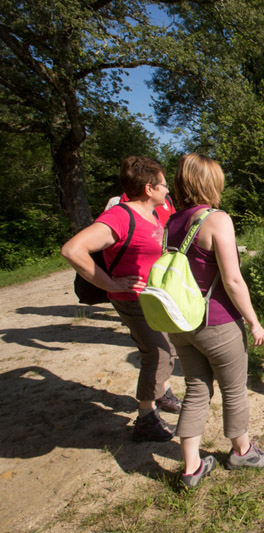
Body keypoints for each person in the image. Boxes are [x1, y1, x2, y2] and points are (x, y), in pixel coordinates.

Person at [167, 153, 264, 489]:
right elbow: (233, 280)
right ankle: (242, 451)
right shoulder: (216, 220)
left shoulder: (172, 221)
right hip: (216, 321)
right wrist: (254, 321)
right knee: (233, 389)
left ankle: (191, 466)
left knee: (196, 389)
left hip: (180, 322)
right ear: (211, 184)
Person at [62, 156, 181, 442]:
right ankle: (146, 419)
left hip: (155, 298)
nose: (168, 190)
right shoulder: (119, 216)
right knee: (158, 353)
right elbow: (72, 250)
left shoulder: (155, 212)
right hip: (133, 299)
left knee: (168, 348)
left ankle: (161, 392)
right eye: (164, 185)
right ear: (149, 188)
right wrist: (111, 283)